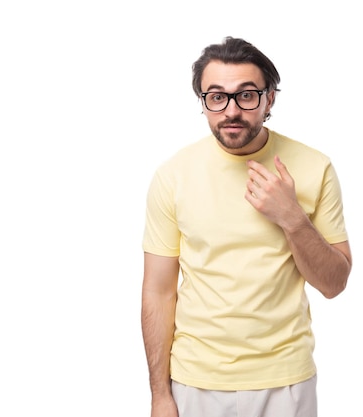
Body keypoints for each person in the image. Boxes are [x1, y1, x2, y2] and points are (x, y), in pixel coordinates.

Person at [141, 36, 352, 417]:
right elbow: (158, 292)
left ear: (269, 99)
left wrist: (292, 217)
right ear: (203, 102)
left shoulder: (314, 167)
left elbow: (334, 284)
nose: (232, 110)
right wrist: (159, 395)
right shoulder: (173, 175)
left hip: (287, 381)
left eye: (247, 95)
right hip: (196, 381)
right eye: (217, 96)